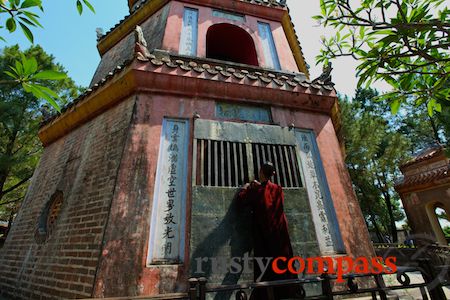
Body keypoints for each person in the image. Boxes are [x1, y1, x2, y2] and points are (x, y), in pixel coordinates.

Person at [238, 162, 297, 300]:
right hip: (280, 234)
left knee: (265, 266)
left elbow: (241, 200)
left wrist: (246, 188)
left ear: (261, 172)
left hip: (263, 236)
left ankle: (265, 295)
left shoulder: (255, 190)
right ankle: (289, 292)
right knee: (282, 264)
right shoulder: (278, 188)